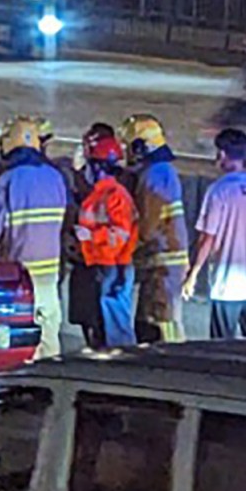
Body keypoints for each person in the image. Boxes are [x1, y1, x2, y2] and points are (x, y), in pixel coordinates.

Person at [0, 116, 67, 358]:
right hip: (50, 274)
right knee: (49, 337)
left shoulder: (9, 180)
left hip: (20, 275)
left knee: (22, 342)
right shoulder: (55, 178)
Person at [184, 129, 246, 340]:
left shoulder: (219, 191)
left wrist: (193, 273)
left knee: (222, 348)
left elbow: (208, 238)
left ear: (222, 154)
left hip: (227, 286)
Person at [119, 114, 189, 343]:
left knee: (161, 321)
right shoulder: (163, 171)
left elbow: (147, 226)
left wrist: (123, 251)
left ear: (140, 147)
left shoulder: (154, 175)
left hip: (162, 263)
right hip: (164, 262)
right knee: (148, 320)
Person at [76, 135, 138, 347]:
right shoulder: (99, 194)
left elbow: (121, 233)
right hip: (102, 265)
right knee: (103, 328)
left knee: (116, 332)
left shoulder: (114, 195)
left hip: (114, 266)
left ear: (99, 166)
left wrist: (91, 236)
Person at [65, 122, 116, 348]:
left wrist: (76, 175)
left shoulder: (112, 179)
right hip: (87, 254)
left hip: (100, 255)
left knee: (97, 311)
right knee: (85, 310)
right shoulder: (93, 172)